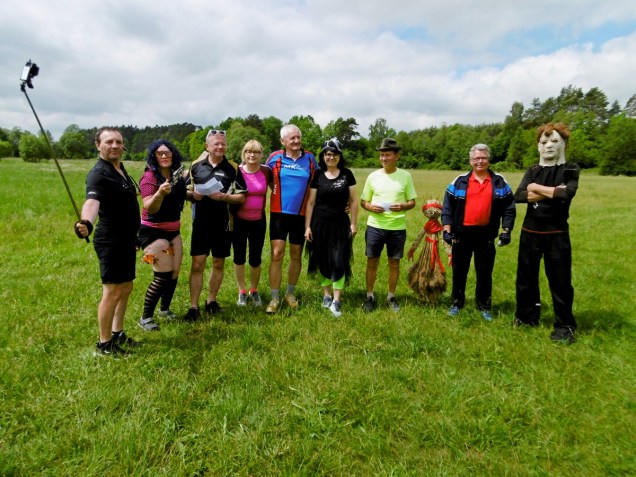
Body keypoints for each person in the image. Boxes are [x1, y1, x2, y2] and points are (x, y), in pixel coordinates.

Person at [74, 127, 140, 357]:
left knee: (126, 287)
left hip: (127, 239)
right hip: (111, 240)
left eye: (118, 142)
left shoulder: (119, 168)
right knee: (112, 291)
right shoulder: (98, 174)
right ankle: (104, 344)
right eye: (109, 142)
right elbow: (92, 201)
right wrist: (86, 222)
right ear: (98, 145)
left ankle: (117, 332)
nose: (114, 146)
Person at [514, 123, 579, 344]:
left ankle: (564, 326)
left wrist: (535, 188)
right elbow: (519, 196)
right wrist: (552, 192)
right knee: (526, 279)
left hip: (557, 234)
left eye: (554, 141)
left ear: (563, 144)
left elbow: (567, 194)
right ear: (538, 146)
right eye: (544, 142)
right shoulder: (533, 170)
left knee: (560, 281)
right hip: (530, 232)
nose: (548, 146)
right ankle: (526, 317)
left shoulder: (570, 169)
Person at [441, 143, 516, 321]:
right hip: (461, 235)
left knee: (484, 273)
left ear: (489, 160)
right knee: (459, 272)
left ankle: (484, 306)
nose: (480, 161)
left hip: (486, 235)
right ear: (470, 161)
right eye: (476, 158)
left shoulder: (499, 182)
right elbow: (447, 208)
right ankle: (457, 304)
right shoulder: (459, 181)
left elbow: (509, 208)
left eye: (483, 158)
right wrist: (447, 230)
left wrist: (506, 230)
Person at [184, 129, 247, 321]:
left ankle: (211, 301)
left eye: (223, 144)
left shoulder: (233, 167)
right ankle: (193, 307)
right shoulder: (196, 166)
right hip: (201, 223)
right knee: (198, 264)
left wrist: (225, 197)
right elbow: (185, 191)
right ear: (207, 146)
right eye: (216, 144)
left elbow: (242, 197)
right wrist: (192, 195)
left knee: (219, 263)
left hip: (223, 224)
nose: (220, 147)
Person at [265, 124, 318, 314]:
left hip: (301, 215)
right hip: (279, 214)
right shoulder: (274, 158)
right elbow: (266, 178)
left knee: (296, 254)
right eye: (292, 138)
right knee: (277, 254)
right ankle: (274, 297)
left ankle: (290, 293)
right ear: (283, 141)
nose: (296, 141)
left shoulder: (310, 158)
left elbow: (319, 182)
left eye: (298, 137)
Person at [360, 138, 417, 313]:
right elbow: (364, 201)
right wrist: (370, 207)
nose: (384, 158)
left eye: (387, 155)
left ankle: (391, 297)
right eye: (381, 155)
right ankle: (370, 296)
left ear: (397, 156)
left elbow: (412, 202)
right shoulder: (373, 176)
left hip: (397, 228)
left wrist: (403, 206)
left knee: (394, 263)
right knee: (372, 262)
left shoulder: (405, 176)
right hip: (375, 226)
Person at [304, 138, 358, 318]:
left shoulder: (347, 174)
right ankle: (326, 295)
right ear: (323, 156)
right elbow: (310, 203)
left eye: (335, 154)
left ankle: (336, 300)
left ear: (340, 156)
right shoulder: (318, 175)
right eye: (328, 154)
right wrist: (307, 227)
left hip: (340, 224)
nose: (331, 157)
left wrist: (353, 223)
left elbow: (354, 201)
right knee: (322, 260)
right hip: (319, 224)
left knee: (338, 260)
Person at [137, 140, 187, 331]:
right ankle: (145, 318)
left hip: (173, 230)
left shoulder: (176, 175)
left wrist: (193, 195)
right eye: (160, 154)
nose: (164, 156)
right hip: (153, 231)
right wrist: (159, 193)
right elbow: (149, 206)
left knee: (174, 273)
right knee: (162, 276)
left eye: (168, 153)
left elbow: (179, 196)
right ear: (154, 157)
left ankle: (164, 310)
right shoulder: (149, 177)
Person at [232, 140, 270, 307]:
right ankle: (242, 291)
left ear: (261, 155)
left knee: (255, 259)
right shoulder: (236, 171)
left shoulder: (266, 171)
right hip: (238, 221)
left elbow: (279, 189)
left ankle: (254, 290)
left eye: (256, 152)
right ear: (244, 153)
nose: (252, 155)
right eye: (249, 151)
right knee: (239, 257)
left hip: (258, 222)